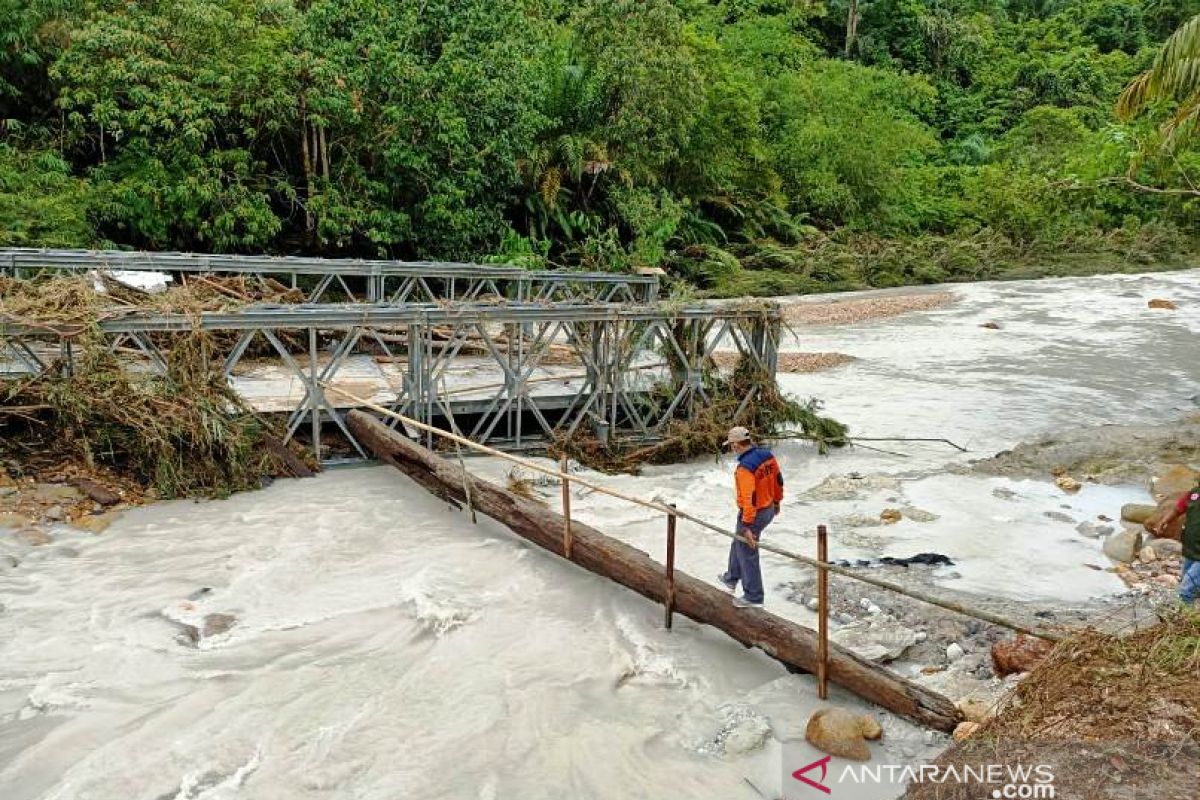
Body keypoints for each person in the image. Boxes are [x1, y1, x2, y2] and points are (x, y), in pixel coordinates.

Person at [716, 426, 784, 609]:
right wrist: (777, 501)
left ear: (737, 445)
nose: (732, 448)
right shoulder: (767, 455)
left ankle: (754, 596)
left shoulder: (744, 468)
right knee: (737, 541)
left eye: (732, 445)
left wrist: (746, 525)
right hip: (768, 508)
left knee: (747, 552)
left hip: (754, 514)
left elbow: (749, 498)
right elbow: (778, 480)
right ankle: (731, 578)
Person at [1149, 484, 1200, 605]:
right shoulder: (1194, 493)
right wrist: (1165, 521)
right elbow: (1178, 508)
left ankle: (1185, 621)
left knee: (1185, 591)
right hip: (1191, 550)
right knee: (1189, 584)